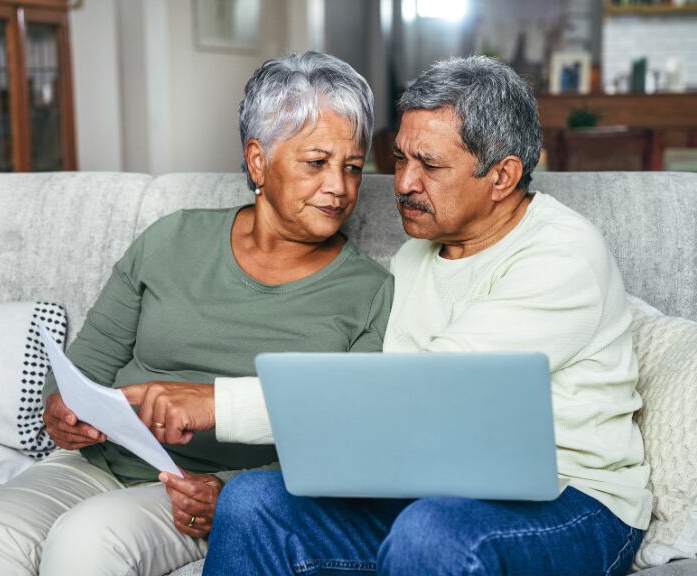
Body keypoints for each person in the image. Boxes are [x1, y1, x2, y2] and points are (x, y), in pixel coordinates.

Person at [191, 56, 651, 575]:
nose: (404, 182)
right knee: (252, 502)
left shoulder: (562, 256)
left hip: (572, 502)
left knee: (430, 532)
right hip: (436, 492)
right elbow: (392, 405)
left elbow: (433, 387)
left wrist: (217, 405)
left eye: (429, 166)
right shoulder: (416, 255)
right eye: (400, 158)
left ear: (502, 176)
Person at [0, 51, 393, 576]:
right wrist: (62, 412)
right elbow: (86, 365)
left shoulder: (370, 291)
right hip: (98, 463)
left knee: (87, 542)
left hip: (199, 488)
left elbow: (341, 433)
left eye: (352, 167)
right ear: (258, 161)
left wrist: (227, 492)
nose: (339, 187)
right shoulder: (171, 239)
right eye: (316, 163)